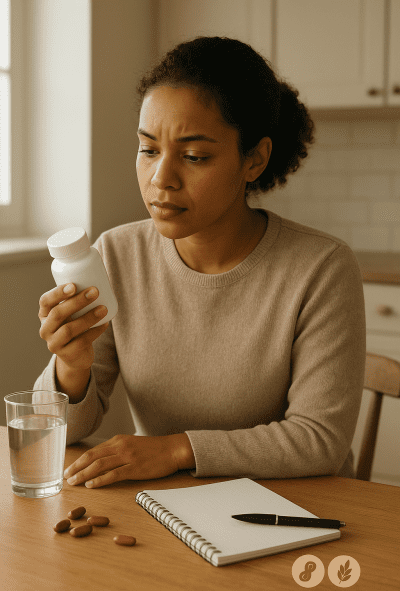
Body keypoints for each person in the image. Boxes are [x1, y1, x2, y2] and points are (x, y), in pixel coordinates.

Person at [34, 36, 366, 489]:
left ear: (254, 160)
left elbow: (319, 439)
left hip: (297, 513)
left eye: (194, 156)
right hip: (168, 510)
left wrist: (175, 449)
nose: (161, 179)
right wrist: (71, 368)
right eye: (148, 149)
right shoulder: (116, 255)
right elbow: (56, 433)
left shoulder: (321, 268)